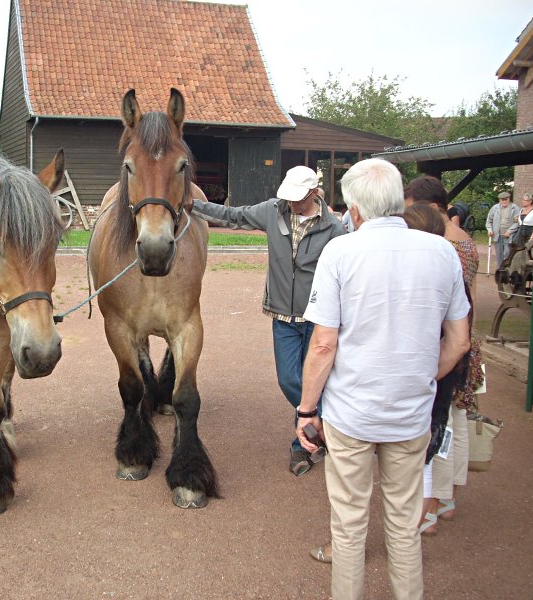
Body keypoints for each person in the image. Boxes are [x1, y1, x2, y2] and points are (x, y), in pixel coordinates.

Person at [296, 159, 470, 600]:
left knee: (350, 525)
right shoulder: (442, 252)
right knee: (404, 524)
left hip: (352, 413)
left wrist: (306, 409)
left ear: (354, 209)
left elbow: (322, 345)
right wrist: (421, 376)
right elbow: (459, 341)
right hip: (410, 413)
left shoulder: (341, 251)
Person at [190, 166, 344, 476]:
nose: (291, 204)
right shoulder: (273, 211)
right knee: (290, 379)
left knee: (315, 378)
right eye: (288, 197)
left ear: (314, 194)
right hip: (282, 316)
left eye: (298, 199)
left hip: (317, 317)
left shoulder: (335, 229)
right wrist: (193, 206)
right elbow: (232, 215)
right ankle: (326, 426)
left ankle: (302, 444)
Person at [404, 175, 482, 536]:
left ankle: (430, 506)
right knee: (455, 422)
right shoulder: (464, 241)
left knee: (437, 425)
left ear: (432, 208)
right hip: (462, 337)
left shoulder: (442, 247)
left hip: (444, 344)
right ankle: (447, 499)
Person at [485, 191, 520, 269]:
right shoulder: (494, 208)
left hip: (509, 236)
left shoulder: (515, 208)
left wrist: (509, 231)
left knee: (507, 254)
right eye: (502, 199)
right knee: (499, 255)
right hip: (497, 236)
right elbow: (489, 221)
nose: (504, 201)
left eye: (505, 199)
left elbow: (517, 223)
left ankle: (507, 270)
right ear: (499, 200)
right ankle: (500, 271)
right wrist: (489, 229)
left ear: (509, 199)